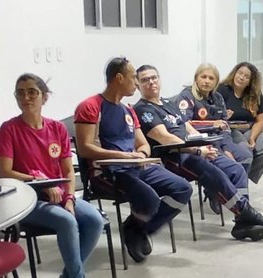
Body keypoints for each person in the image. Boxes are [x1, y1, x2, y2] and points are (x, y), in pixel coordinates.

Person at [133, 64, 263, 240]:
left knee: (236, 169)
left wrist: (204, 143)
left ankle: (242, 221)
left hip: (196, 148)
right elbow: (164, 137)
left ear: (159, 79)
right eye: (145, 80)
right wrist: (197, 149)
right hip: (174, 154)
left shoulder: (167, 103)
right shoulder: (143, 109)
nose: (151, 82)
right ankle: (248, 216)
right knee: (212, 172)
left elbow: (187, 126)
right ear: (138, 85)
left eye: (154, 78)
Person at [0, 74, 105, 278]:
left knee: (94, 220)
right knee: (67, 221)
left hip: (59, 196)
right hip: (27, 200)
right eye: (20, 93)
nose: (26, 97)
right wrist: (40, 181)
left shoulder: (57, 128)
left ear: (44, 97)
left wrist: (69, 198)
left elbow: (67, 170)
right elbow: (4, 172)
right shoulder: (9, 129)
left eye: (32, 92)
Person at [74, 57, 193, 263]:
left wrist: (142, 155)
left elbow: (143, 144)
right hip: (107, 172)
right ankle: (138, 227)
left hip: (136, 166)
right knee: (149, 199)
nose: (136, 84)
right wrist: (124, 156)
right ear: (119, 78)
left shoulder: (128, 110)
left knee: (182, 189)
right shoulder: (90, 106)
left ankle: (136, 228)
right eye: (133, 78)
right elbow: (85, 149)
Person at [175, 63, 252, 172]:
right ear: (196, 78)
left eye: (211, 78)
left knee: (245, 157)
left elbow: (224, 125)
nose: (207, 81)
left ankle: (238, 181)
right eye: (203, 77)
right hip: (201, 142)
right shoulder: (187, 96)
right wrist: (211, 124)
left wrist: (226, 148)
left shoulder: (218, 98)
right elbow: (184, 123)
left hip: (220, 139)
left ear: (216, 82)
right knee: (231, 166)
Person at [217, 62, 263, 185]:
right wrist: (223, 115)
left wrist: (253, 137)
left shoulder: (255, 94)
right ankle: (237, 180)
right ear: (234, 73)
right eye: (240, 73)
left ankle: (240, 177)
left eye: (246, 76)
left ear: (251, 81)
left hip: (250, 128)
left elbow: (260, 120)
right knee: (245, 151)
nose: (241, 77)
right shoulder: (222, 89)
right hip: (230, 129)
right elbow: (213, 114)